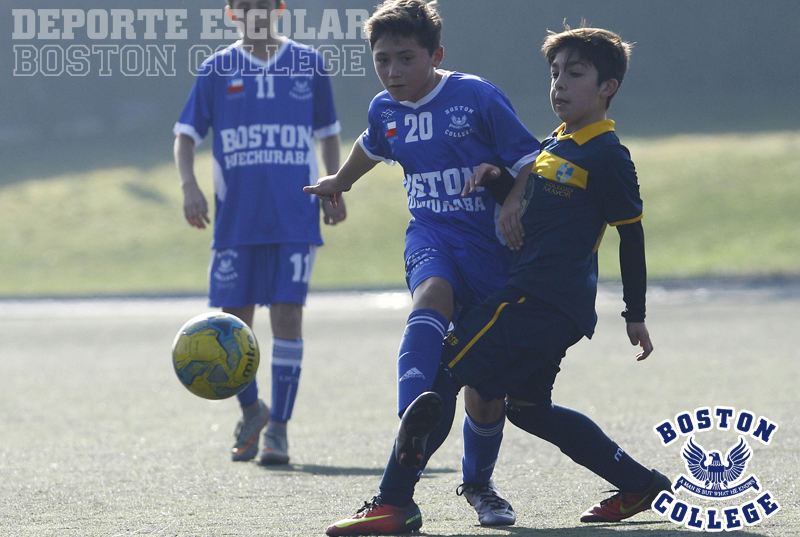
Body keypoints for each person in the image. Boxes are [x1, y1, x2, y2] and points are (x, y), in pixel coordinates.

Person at [326, 25, 673, 535]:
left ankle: (393, 502)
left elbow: (632, 235)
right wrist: (497, 180)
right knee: (529, 410)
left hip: (541, 302)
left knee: (445, 370)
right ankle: (641, 484)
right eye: (554, 73)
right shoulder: (558, 142)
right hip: (536, 299)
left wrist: (635, 312)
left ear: (607, 88)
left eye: (574, 75)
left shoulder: (607, 154)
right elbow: (537, 204)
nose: (558, 84)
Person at [305, 0, 540, 531]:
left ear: (436, 55)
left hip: (493, 252)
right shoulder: (383, 108)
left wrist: (510, 203)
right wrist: (340, 182)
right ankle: (415, 409)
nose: (392, 72)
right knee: (431, 293)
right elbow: (371, 145)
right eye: (382, 60)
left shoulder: (477, 96)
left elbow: (530, 161)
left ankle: (480, 485)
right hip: (431, 236)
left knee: (486, 390)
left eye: (405, 59)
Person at [173, 0, 344, 466]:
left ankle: (280, 432)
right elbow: (186, 134)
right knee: (233, 325)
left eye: (264, 5)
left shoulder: (308, 64)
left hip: (294, 216)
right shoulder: (216, 69)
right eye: (245, 6)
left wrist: (335, 184)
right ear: (231, 13)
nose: (255, 13)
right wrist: (189, 186)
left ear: (280, 8)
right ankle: (253, 411)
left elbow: (328, 131)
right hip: (237, 222)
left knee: (287, 316)